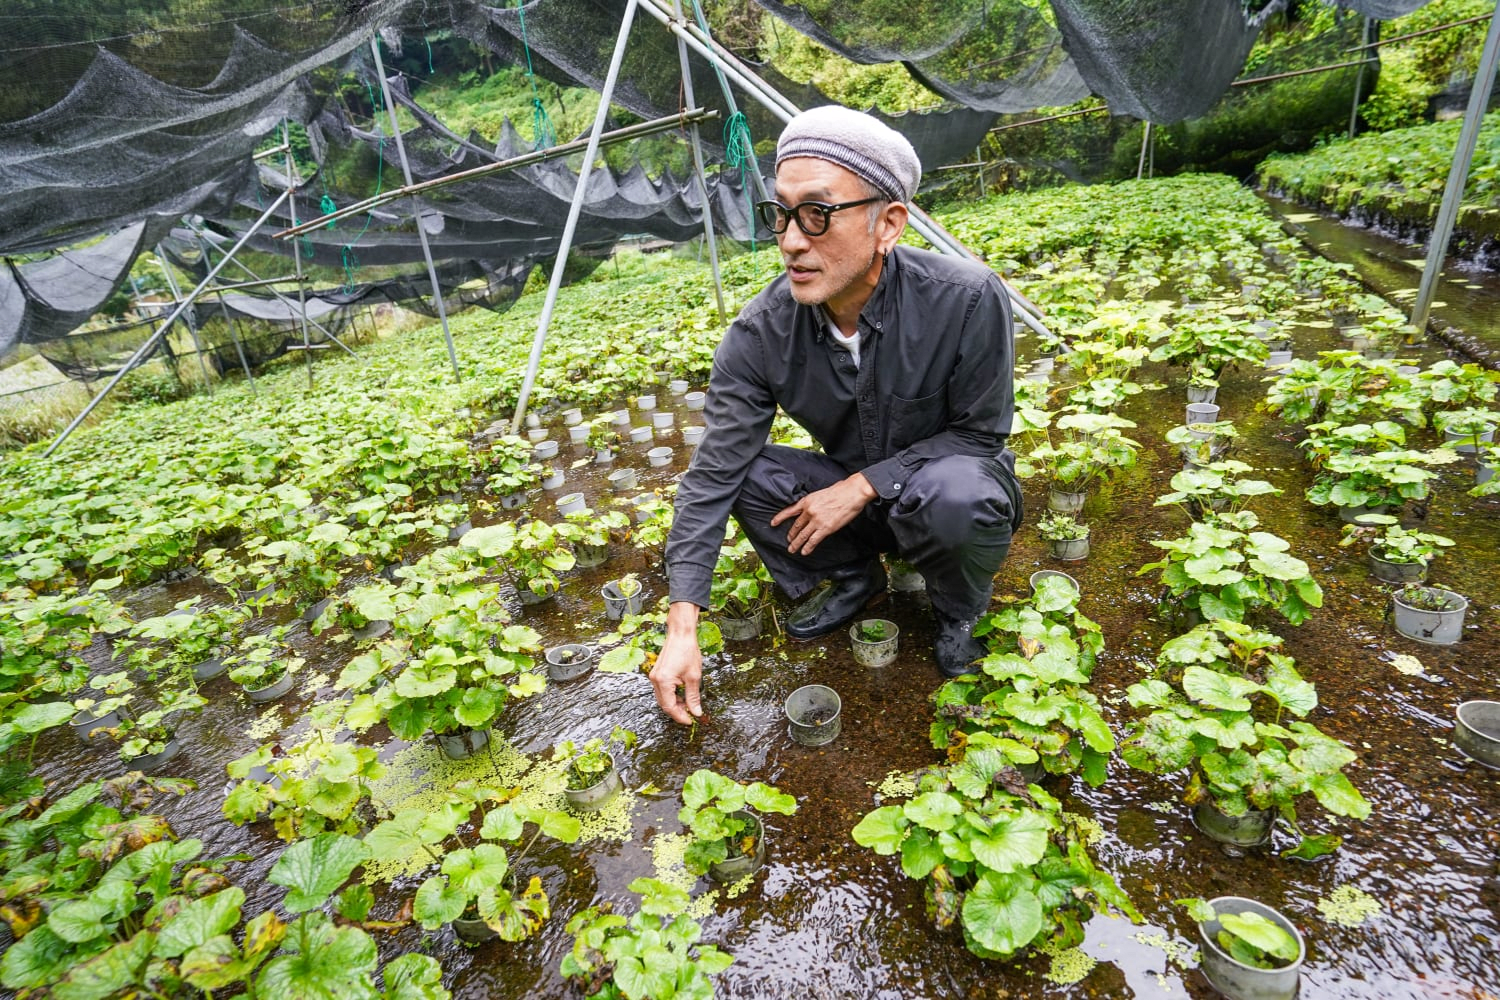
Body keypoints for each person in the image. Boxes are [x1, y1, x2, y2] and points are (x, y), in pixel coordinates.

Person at [650, 105, 1023, 726]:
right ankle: (855, 576)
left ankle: (959, 613)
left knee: (958, 492)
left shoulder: (966, 298)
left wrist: (862, 484)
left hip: (943, 491)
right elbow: (711, 477)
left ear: (889, 223)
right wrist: (682, 622)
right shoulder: (760, 332)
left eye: (819, 214)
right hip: (856, 502)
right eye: (783, 214)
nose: (793, 240)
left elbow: (980, 435)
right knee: (740, 471)